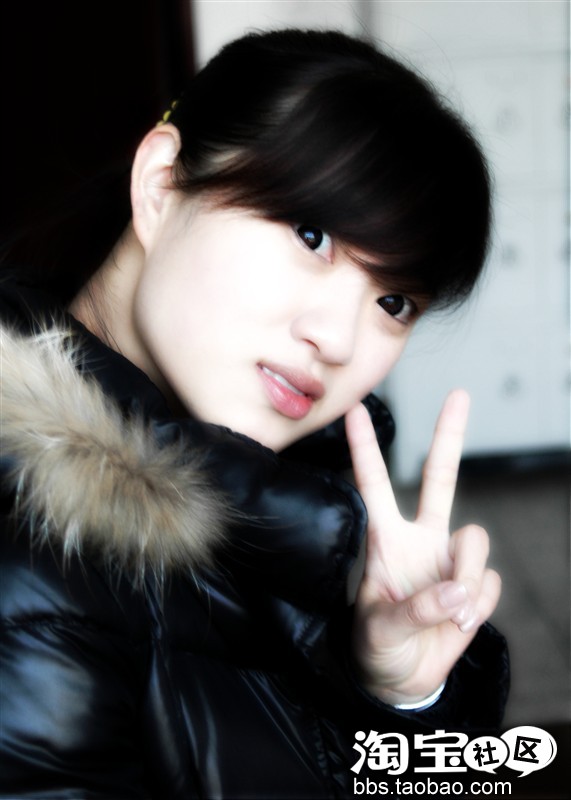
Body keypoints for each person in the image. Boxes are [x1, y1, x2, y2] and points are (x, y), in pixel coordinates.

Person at [0, 28, 509, 799]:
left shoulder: (270, 501)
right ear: (161, 186)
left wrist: (399, 697)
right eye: (311, 236)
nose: (338, 340)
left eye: (393, 302)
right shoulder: (35, 582)